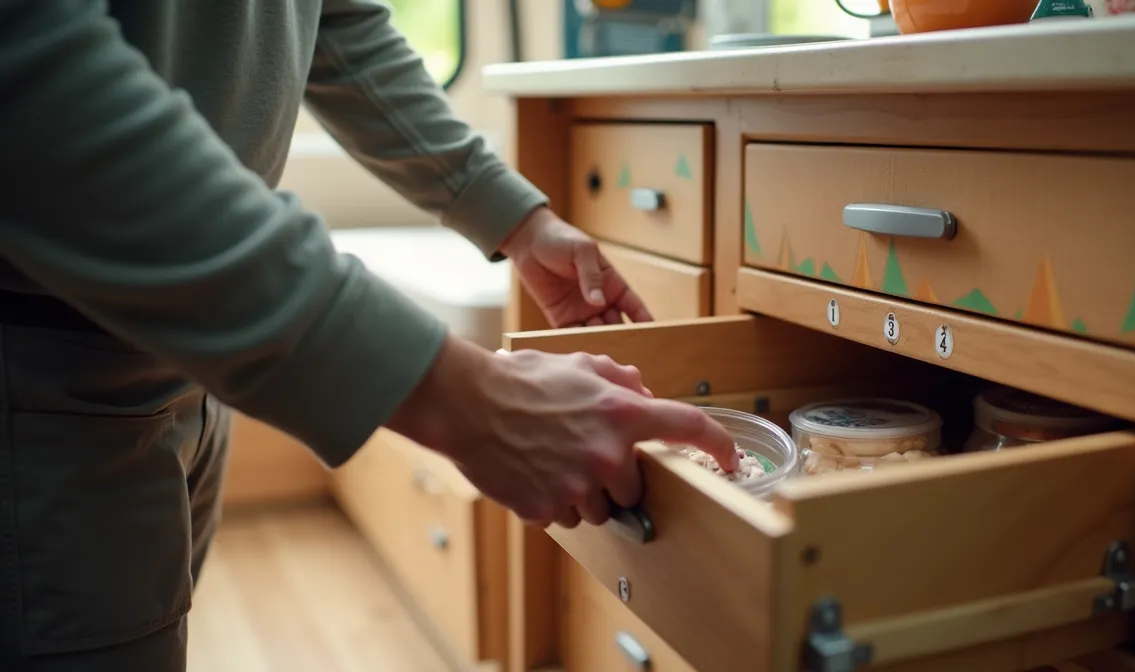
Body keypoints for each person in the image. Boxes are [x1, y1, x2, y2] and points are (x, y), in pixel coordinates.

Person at [0, 1, 738, 669]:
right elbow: (29, 70)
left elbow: (336, 22)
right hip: (41, 376)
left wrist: (515, 218)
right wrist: (469, 399)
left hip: (185, 373)